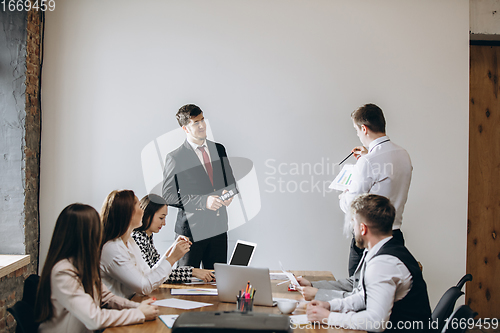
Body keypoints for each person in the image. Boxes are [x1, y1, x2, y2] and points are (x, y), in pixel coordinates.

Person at [307, 194, 431, 332]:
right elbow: (364, 296)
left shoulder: (383, 264)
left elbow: (375, 322)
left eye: (353, 223)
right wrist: (331, 306)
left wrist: (328, 317)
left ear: (362, 228)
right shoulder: (385, 250)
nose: (352, 228)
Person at [35, 204, 159, 333]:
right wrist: (138, 313)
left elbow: (107, 298)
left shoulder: (83, 264)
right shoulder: (62, 272)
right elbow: (94, 318)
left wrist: (138, 306)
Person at [339, 103, 412, 276]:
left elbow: (351, 206)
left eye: (357, 130)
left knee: (359, 294)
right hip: (395, 238)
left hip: (370, 240)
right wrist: (368, 156)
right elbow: (386, 178)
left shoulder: (368, 162)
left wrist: (343, 193)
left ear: (364, 128)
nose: (358, 134)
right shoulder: (403, 154)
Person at [162, 104, 237, 269]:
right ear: (185, 128)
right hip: (190, 233)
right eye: (196, 122)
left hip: (218, 229)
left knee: (218, 282)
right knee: (187, 284)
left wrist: (228, 193)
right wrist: (203, 202)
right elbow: (168, 196)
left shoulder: (219, 149)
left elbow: (232, 184)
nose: (202, 125)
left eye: (202, 119)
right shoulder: (176, 157)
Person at [100, 190, 191, 299]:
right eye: (139, 207)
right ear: (129, 212)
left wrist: (172, 252)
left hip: (132, 303)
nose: (143, 211)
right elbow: (144, 286)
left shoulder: (129, 242)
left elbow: (148, 272)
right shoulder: (113, 249)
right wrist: (172, 258)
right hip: (119, 310)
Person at [132, 194, 215, 282]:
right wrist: (192, 272)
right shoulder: (138, 238)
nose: (164, 223)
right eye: (161, 218)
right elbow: (156, 275)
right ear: (147, 215)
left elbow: (161, 270)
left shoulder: (146, 237)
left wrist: (192, 271)